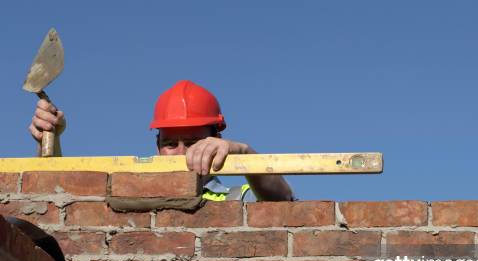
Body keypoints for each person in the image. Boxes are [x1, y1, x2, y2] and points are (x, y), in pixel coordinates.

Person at [29, 80, 294, 201]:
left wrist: (244, 153)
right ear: (157, 147)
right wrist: (50, 139)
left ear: (217, 142)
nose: (181, 154)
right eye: (170, 144)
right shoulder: (135, 197)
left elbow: (284, 205)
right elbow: (60, 203)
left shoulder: (237, 199)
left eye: (192, 144)